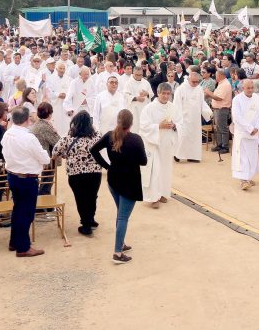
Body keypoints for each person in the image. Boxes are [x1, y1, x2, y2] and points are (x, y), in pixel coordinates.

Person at [90, 109, 148, 265]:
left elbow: (93, 150)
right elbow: (143, 161)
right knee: (123, 217)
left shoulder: (110, 135)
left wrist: (106, 166)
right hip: (130, 182)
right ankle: (117, 252)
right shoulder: (136, 139)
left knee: (120, 213)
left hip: (113, 180)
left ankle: (121, 243)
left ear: (118, 121)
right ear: (131, 123)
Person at [0, 106, 49, 257]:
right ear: (27, 120)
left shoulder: (8, 134)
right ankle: (23, 247)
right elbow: (45, 158)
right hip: (27, 178)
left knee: (18, 210)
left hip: (13, 176)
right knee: (26, 213)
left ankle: (15, 241)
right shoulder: (28, 137)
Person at [52, 111, 102, 236]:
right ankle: (90, 219)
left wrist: (66, 155)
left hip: (76, 174)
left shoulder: (68, 137)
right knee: (92, 196)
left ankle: (86, 225)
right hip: (95, 172)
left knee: (81, 198)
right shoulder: (97, 136)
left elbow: (55, 152)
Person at [139, 82, 181, 208]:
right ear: (158, 93)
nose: (166, 96)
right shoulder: (149, 108)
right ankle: (153, 198)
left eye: (168, 94)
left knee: (165, 170)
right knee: (155, 171)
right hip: (153, 144)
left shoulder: (173, 108)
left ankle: (163, 193)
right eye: (163, 93)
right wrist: (158, 126)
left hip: (167, 143)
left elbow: (180, 123)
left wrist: (174, 125)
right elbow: (143, 126)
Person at [231, 79, 259, 190]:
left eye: (252, 88)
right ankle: (244, 180)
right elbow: (237, 117)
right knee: (243, 157)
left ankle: (249, 176)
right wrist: (249, 128)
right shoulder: (237, 99)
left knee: (252, 156)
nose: (251, 90)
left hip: (255, 133)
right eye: (248, 88)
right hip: (243, 133)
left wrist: (257, 127)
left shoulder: (256, 97)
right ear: (243, 88)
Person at [173, 71, 213, 163]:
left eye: (197, 82)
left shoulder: (199, 89)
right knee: (183, 137)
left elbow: (202, 102)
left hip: (195, 119)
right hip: (183, 118)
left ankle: (193, 156)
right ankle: (177, 154)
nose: (195, 84)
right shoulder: (181, 89)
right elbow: (176, 105)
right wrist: (176, 119)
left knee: (195, 137)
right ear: (188, 79)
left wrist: (208, 113)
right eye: (193, 82)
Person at [207, 69, 233, 153]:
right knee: (218, 128)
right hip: (218, 109)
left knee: (223, 128)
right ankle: (219, 144)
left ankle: (225, 146)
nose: (215, 77)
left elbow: (219, 98)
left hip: (222, 109)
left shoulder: (225, 84)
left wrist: (209, 93)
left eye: (216, 75)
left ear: (221, 75)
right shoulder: (221, 84)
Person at [44, 59, 72, 137]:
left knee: (66, 122)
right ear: (56, 69)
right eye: (60, 68)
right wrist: (58, 95)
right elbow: (49, 91)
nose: (62, 70)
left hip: (65, 104)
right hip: (55, 104)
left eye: (63, 69)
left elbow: (71, 90)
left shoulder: (68, 79)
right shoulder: (50, 78)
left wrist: (66, 95)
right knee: (56, 121)